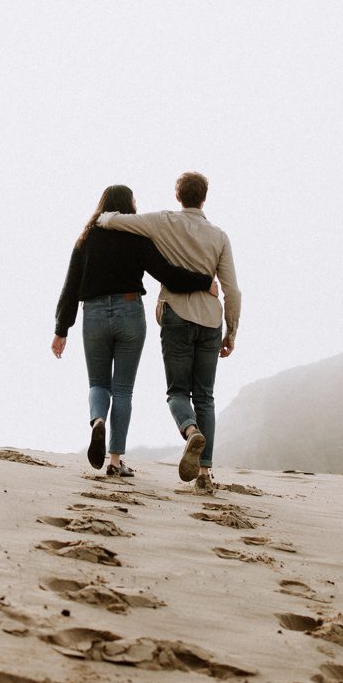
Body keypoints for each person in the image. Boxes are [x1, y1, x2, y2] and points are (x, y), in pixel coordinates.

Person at [55, 184, 217, 477]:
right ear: (127, 206)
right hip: (130, 312)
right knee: (123, 390)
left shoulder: (86, 238)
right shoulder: (137, 237)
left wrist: (61, 330)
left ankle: (97, 422)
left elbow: (70, 287)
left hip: (93, 314)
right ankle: (115, 460)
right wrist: (204, 281)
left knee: (97, 384)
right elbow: (168, 275)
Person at [95, 171, 241, 493]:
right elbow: (232, 290)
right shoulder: (219, 236)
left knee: (177, 393)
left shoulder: (162, 221)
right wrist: (231, 331)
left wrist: (103, 218)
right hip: (211, 321)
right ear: (204, 197)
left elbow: (114, 221)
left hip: (176, 316)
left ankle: (190, 432)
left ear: (178, 196)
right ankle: (204, 473)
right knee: (205, 396)